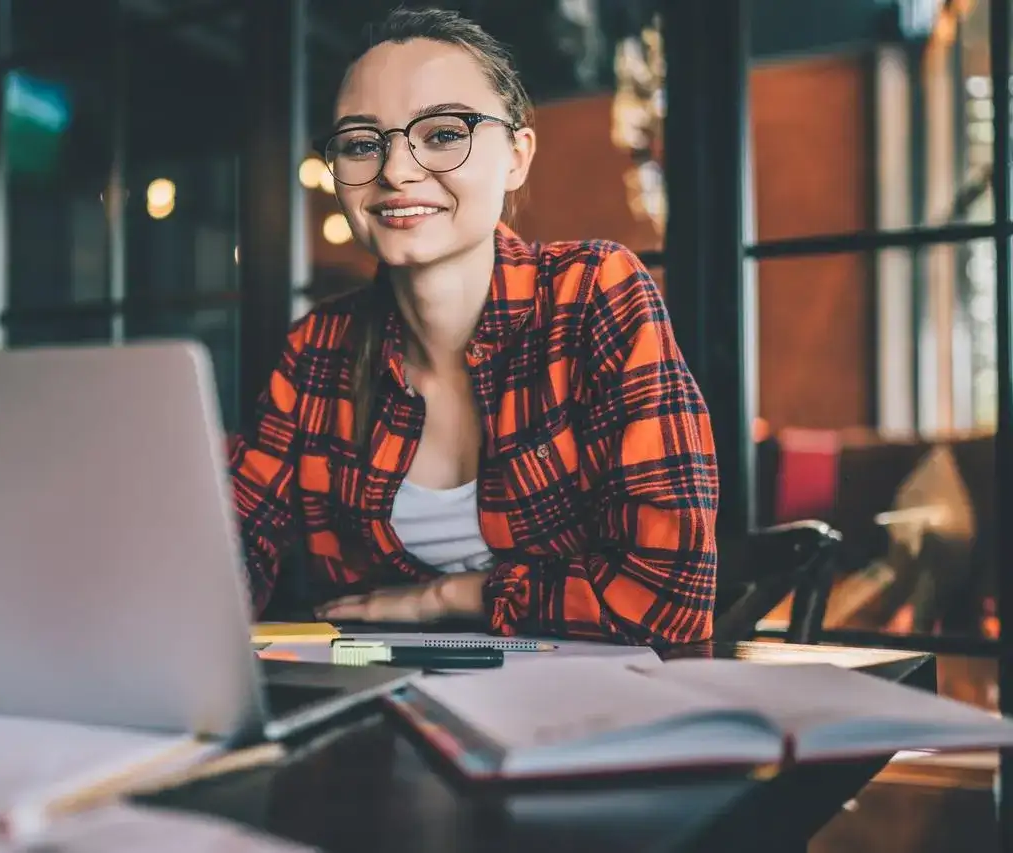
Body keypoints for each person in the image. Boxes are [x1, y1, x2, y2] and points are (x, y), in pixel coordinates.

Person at [229, 6, 718, 646]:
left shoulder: (592, 291)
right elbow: (229, 549)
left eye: (442, 133)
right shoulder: (316, 348)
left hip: (583, 698)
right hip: (375, 687)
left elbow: (671, 598)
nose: (396, 171)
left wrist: (444, 599)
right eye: (361, 144)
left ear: (517, 156)